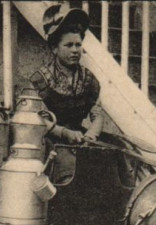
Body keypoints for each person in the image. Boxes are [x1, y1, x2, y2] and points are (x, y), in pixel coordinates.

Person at [29, 4, 104, 145]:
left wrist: (91, 135)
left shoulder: (88, 79)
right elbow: (38, 118)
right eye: (68, 45)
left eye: (78, 45)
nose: (75, 50)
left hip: (79, 140)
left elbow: (97, 114)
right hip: (47, 140)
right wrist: (64, 133)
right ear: (54, 48)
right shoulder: (40, 79)